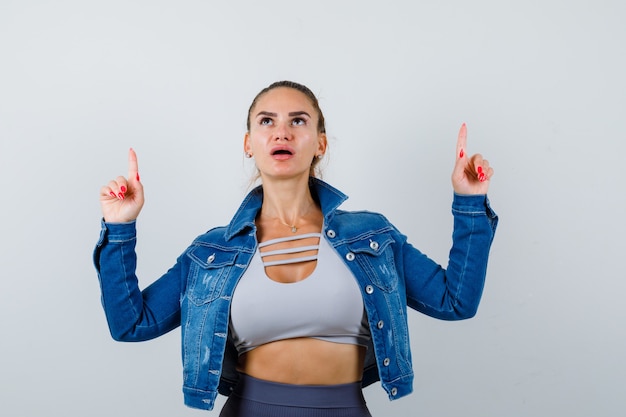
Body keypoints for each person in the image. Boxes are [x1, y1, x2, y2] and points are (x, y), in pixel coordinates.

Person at [94, 80, 498, 417]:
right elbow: (131, 324)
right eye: (266, 121)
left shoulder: (372, 235)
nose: (281, 132)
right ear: (249, 143)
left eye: (298, 121)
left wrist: (469, 203)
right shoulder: (211, 252)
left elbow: (454, 301)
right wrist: (120, 227)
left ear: (320, 143)